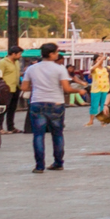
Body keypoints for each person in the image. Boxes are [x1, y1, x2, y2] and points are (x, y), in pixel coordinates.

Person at [25, 42, 72, 173]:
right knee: (57, 135)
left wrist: (37, 86)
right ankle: (58, 162)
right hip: (56, 103)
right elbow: (67, 88)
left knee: (38, 135)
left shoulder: (32, 68)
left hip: (37, 102)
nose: (57, 54)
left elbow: (24, 87)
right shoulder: (59, 69)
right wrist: (79, 91)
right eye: (56, 52)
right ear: (51, 54)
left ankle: (39, 166)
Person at [0, 46, 25, 135]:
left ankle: (11, 127)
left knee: (12, 109)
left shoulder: (16, 62)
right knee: (3, 109)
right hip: (6, 89)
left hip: (15, 88)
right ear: (13, 54)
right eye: (19, 54)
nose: (20, 56)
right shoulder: (2, 62)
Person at [88, 59, 110, 123]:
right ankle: (91, 120)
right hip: (95, 89)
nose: (101, 60)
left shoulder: (105, 68)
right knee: (94, 105)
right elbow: (92, 69)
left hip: (105, 88)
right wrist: (100, 60)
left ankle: (103, 120)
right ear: (95, 60)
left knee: (104, 105)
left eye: (101, 59)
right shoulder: (93, 68)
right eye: (98, 59)